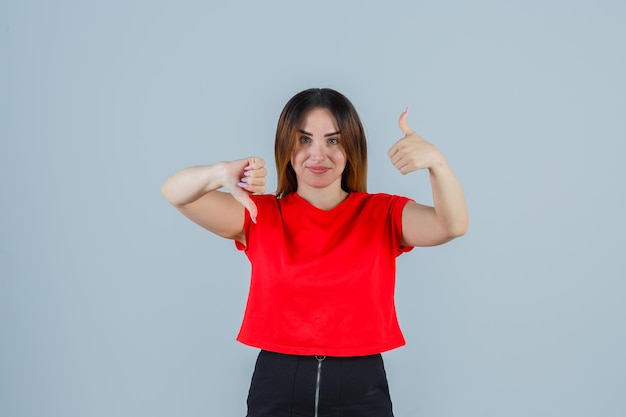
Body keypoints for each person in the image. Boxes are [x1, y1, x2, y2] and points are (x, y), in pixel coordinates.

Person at [161, 88, 468, 417]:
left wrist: (437, 162)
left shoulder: (382, 214)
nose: (318, 155)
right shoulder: (258, 213)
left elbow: (451, 225)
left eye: (333, 141)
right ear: (286, 146)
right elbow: (176, 193)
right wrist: (219, 173)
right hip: (277, 380)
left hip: (361, 382)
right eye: (304, 140)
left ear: (351, 147)